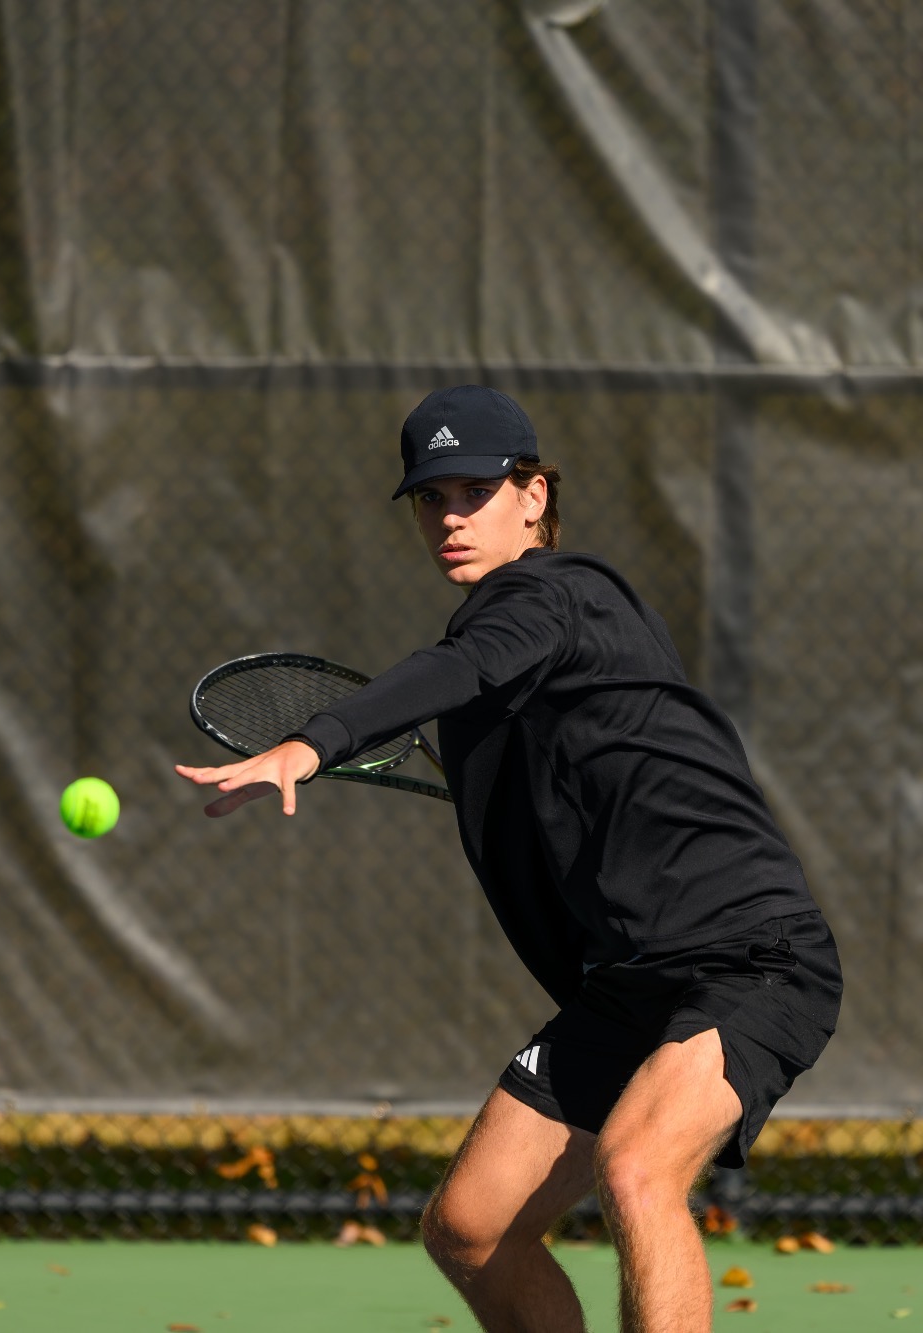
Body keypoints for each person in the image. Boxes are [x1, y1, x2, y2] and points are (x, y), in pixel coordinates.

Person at [175, 385, 842, 1333]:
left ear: (534, 497)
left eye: (474, 491)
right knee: (471, 1227)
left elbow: (460, 664)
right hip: (633, 980)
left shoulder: (555, 594)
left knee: (637, 1166)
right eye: (430, 498)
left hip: (751, 958)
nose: (450, 517)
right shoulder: (518, 670)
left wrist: (311, 742)